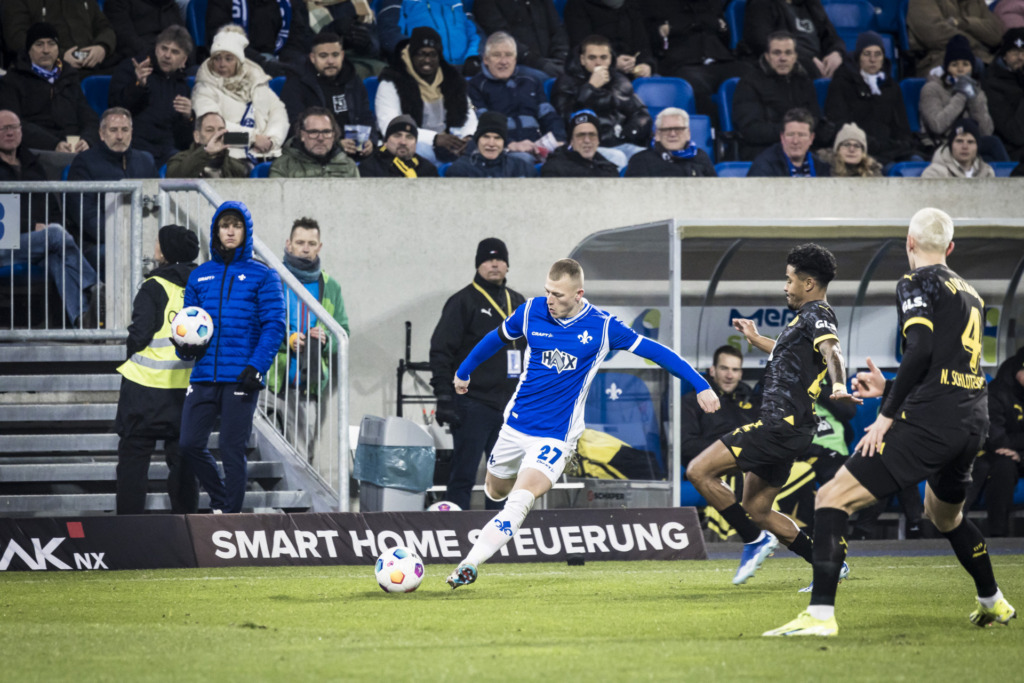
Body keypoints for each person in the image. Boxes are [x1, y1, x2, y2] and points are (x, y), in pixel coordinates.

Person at [764, 208, 1017, 637]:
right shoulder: (970, 292)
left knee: (830, 498)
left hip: (931, 422)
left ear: (909, 243)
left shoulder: (915, 281)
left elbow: (920, 347)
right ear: (950, 248)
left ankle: (820, 616)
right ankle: (993, 600)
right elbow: (945, 366)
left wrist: (886, 416)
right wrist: (889, 388)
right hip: (972, 421)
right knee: (944, 517)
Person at [445, 258, 720, 589]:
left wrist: (701, 384)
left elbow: (657, 352)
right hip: (515, 427)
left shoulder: (603, 327)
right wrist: (463, 371)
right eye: (548, 291)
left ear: (579, 294)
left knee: (520, 499)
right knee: (496, 490)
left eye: (558, 295)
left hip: (555, 437)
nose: (550, 300)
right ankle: (510, 492)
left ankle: (469, 563)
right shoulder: (531, 312)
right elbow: (495, 338)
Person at [686, 243, 859, 586]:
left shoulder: (818, 313)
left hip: (780, 426)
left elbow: (833, 349)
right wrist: (756, 339)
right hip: (791, 430)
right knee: (756, 509)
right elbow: (788, 352)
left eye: (789, 280)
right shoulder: (804, 321)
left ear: (808, 284)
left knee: (699, 471)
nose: (785, 286)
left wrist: (839, 384)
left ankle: (753, 541)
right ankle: (828, 564)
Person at [175, 202, 286, 514]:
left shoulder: (263, 275)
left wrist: (256, 365)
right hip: (203, 375)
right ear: (216, 231)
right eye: (225, 225)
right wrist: (184, 349)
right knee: (189, 443)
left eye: (237, 226)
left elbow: (275, 325)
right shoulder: (199, 276)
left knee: (231, 448)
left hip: (241, 377)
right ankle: (221, 501)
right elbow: (187, 323)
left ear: (246, 232)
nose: (231, 231)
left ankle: (231, 518)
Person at [429, 238, 527, 511]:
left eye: (499, 259)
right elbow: (441, 351)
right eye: (487, 259)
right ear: (478, 265)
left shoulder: (519, 302)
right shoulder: (463, 302)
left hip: (510, 406)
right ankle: (454, 530)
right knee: (463, 473)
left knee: (504, 478)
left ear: (507, 265)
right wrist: (444, 396)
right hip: (473, 403)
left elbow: (534, 349)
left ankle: (501, 530)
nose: (494, 264)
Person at [114, 225, 201, 515]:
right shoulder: (202, 288)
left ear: (166, 252)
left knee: (134, 461)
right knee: (184, 464)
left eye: (158, 243)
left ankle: (129, 531)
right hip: (186, 391)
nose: (155, 247)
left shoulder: (154, 286)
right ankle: (187, 528)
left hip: (145, 390)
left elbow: (139, 334)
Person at [0, 109, 102, 328]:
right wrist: (33, 227)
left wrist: (51, 228)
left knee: (57, 257)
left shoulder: (33, 165)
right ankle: (94, 285)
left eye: (14, 127)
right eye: (4, 128)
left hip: (34, 244)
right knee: (55, 235)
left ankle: (83, 322)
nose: (10, 133)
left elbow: (52, 208)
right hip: (4, 243)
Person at [267, 217, 349, 461]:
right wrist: (288, 340)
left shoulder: (330, 286)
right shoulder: (272, 279)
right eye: (300, 242)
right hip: (267, 383)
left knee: (300, 461)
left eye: (311, 243)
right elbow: (258, 323)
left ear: (319, 247)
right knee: (256, 455)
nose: (305, 248)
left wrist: (326, 339)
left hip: (305, 387)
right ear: (288, 244)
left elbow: (343, 333)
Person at [679, 345, 760, 540]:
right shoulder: (692, 401)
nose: (730, 375)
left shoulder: (750, 400)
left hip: (754, 463)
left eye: (735, 370)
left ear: (741, 373)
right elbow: (686, 445)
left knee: (801, 471)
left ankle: (796, 539)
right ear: (712, 370)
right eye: (724, 368)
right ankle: (734, 540)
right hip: (712, 465)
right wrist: (727, 452)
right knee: (734, 475)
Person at [67, 107, 160, 274]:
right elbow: (86, 216)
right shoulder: (84, 163)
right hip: (97, 243)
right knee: (120, 255)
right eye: (113, 130)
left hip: (142, 238)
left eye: (125, 130)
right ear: (101, 134)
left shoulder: (145, 161)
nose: (119, 136)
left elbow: (157, 205)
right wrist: (125, 238)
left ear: (131, 132)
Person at [375, 27, 478, 165]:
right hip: (409, 144)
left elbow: (468, 112)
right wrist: (434, 139)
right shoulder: (391, 81)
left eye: (432, 54)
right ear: (411, 55)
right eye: (421, 54)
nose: (427, 60)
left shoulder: (452, 78)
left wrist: (468, 137)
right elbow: (389, 126)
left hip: (448, 145)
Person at [639, 0, 752, 125]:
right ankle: (712, 132)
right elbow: (652, 40)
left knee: (749, 73)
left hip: (719, 58)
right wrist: (705, 23)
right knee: (694, 85)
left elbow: (724, 34)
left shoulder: (710, 3)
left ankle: (750, 128)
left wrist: (720, 28)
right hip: (683, 64)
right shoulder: (656, 4)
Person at [191, 25, 290, 165]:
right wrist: (253, 139)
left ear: (238, 61)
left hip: (265, 153)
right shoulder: (203, 88)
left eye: (228, 59)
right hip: (225, 156)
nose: (221, 64)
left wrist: (271, 140)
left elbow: (279, 113)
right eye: (217, 58)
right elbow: (212, 133)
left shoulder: (256, 81)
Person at [552, 34, 652, 168]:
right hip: (585, 148)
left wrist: (627, 134)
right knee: (618, 157)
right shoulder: (566, 82)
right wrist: (591, 88)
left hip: (620, 143)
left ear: (611, 59)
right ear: (582, 59)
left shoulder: (619, 80)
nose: (598, 63)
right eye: (592, 58)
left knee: (647, 157)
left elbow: (641, 114)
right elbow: (565, 118)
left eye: (603, 57)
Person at [467, 31, 567, 165]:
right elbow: (481, 125)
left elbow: (549, 116)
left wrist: (558, 139)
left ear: (515, 58)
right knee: (523, 161)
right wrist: (511, 144)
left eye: (508, 55)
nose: (504, 62)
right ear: (485, 59)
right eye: (497, 55)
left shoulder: (531, 81)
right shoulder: (475, 86)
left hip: (536, 145)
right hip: (504, 149)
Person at [0, 22, 98, 153]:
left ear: (58, 49)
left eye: (51, 44)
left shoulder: (69, 76)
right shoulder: (12, 81)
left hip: (73, 147)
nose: (46, 50)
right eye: (39, 44)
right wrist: (54, 144)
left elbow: (89, 118)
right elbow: (13, 124)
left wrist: (87, 140)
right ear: (29, 50)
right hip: (37, 149)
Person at [824, 31, 918, 166]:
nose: (873, 60)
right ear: (858, 57)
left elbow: (902, 128)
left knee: (916, 162)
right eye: (867, 54)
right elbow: (839, 124)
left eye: (877, 54)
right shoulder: (842, 83)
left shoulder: (891, 87)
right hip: (857, 150)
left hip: (890, 150)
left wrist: (900, 146)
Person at [279, 32, 377, 160]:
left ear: (342, 55)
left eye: (335, 55)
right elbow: (296, 126)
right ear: (312, 58)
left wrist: (370, 140)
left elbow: (365, 115)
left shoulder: (353, 79)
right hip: (315, 155)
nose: (330, 61)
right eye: (323, 56)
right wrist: (334, 145)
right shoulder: (297, 82)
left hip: (355, 151)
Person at [733, 31, 830, 161]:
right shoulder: (749, 83)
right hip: (764, 150)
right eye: (776, 53)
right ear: (767, 56)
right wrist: (791, 132)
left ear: (795, 56)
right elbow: (750, 130)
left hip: (802, 148)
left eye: (788, 53)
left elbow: (814, 117)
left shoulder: (804, 80)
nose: (783, 58)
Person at [108, 25, 194, 167]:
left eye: (175, 52)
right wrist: (138, 86)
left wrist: (188, 117)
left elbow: (183, 142)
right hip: (134, 145)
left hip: (167, 150)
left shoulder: (182, 87)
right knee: (145, 160)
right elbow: (115, 108)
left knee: (187, 163)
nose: (167, 55)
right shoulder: (132, 69)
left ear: (183, 60)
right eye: (164, 48)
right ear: (156, 48)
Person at [964, 346, 1024, 538]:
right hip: (998, 454)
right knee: (1002, 466)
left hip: (1019, 454)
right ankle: (998, 536)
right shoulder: (997, 392)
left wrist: (1020, 454)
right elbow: (997, 439)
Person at [919, 35, 1007, 163]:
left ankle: (1010, 175)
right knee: (993, 144)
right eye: (954, 65)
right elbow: (937, 126)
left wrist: (974, 99)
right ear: (947, 68)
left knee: (990, 154)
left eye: (966, 64)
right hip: (941, 145)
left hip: (970, 145)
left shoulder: (977, 91)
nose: (961, 70)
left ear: (972, 68)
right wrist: (961, 95)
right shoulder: (931, 89)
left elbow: (986, 132)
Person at [2, 0, 119, 74]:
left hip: (94, 65)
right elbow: (16, 39)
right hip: (46, 70)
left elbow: (105, 27)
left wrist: (102, 47)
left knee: (125, 77)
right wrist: (59, 56)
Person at [205, 0, 312, 77]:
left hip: (280, 62)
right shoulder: (223, 2)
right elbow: (221, 39)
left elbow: (296, 40)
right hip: (238, 62)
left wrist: (287, 64)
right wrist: (262, 63)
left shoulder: (290, 3)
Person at [742, 0, 845, 78]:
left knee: (847, 67)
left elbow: (831, 36)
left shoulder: (811, 4)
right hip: (790, 63)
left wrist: (836, 53)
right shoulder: (760, 4)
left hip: (818, 62)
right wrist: (808, 60)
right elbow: (762, 42)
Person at [473, 0, 569, 81]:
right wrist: (541, 64)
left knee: (573, 73)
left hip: (551, 59)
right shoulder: (487, 3)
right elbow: (501, 39)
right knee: (543, 78)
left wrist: (561, 57)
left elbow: (557, 30)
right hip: (518, 63)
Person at [907, 0, 1005, 77]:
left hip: (983, 57)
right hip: (941, 58)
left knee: (1007, 69)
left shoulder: (976, 2)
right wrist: (977, 42)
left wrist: (962, 23)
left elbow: (996, 35)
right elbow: (934, 34)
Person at [377, 0, 483, 70]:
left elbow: (475, 33)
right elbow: (391, 33)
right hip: (420, 70)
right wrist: (416, 55)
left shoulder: (457, 3)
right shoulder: (399, 2)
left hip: (462, 70)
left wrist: (473, 56)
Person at [563, 0, 654, 79]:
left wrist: (645, 64)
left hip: (632, 68)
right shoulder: (577, 4)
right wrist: (612, 61)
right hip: (595, 71)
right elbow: (581, 46)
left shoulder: (630, 4)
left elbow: (642, 42)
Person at [624, 107, 717, 177]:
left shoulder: (700, 156)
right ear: (657, 135)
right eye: (666, 129)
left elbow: (714, 191)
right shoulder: (641, 160)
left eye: (678, 129)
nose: (672, 134)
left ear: (688, 133)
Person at [269, 106, 360, 177]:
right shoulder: (283, 166)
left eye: (326, 132)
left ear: (333, 135)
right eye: (313, 132)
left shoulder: (349, 166)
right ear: (302, 135)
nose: (320, 138)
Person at [445, 111, 537, 177]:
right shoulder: (460, 170)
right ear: (477, 140)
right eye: (486, 137)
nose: (491, 143)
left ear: (504, 143)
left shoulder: (521, 168)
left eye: (497, 138)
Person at [748, 108, 832, 177]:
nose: (795, 141)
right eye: (790, 135)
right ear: (782, 137)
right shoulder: (764, 166)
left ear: (811, 138)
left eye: (801, 135)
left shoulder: (821, 166)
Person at [165, 111, 251, 178]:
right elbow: (173, 179)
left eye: (221, 130)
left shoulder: (236, 167)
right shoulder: (179, 159)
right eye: (209, 130)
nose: (217, 134)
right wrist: (206, 153)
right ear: (197, 136)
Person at [983, 28, 1024, 162]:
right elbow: (1015, 135)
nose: (1021, 58)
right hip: (1013, 153)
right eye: (1015, 52)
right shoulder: (992, 84)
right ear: (1004, 55)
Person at [539, 109, 619, 177]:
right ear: (571, 141)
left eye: (592, 135)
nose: (587, 140)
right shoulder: (554, 169)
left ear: (598, 140)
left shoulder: (609, 169)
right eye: (581, 135)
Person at [103, 0, 185, 65]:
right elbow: (126, 41)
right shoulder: (118, 2)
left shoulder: (170, 5)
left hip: (169, 64)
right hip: (134, 63)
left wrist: (182, 58)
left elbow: (184, 41)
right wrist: (158, 58)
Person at [356, 114, 439, 177]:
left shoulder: (427, 169)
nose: (403, 142)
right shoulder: (369, 167)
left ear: (415, 143)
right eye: (397, 136)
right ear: (385, 141)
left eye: (409, 137)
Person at [921, 117, 995, 177]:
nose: (965, 147)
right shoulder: (933, 174)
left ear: (977, 146)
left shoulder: (987, 173)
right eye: (959, 141)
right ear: (951, 145)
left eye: (970, 142)